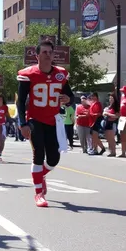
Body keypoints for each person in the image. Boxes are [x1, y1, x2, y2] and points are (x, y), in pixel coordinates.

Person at [16, 41, 74, 208]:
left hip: (53, 120)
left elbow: (70, 96)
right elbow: (20, 102)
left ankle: (40, 175)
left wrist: (68, 100)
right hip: (35, 119)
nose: (48, 55)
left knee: (54, 159)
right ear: (37, 55)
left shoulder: (61, 74)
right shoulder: (28, 74)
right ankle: (38, 193)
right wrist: (22, 123)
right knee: (38, 154)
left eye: (50, 52)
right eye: (44, 52)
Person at [102, 92, 120, 156]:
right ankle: (110, 151)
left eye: (112, 98)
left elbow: (117, 116)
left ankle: (113, 151)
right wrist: (105, 113)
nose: (110, 99)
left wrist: (108, 114)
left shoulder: (115, 107)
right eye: (110, 98)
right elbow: (104, 114)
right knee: (108, 138)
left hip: (112, 124)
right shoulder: (108, 107)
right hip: (107, 123)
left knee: (111, 138)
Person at [0, 95, 9, 161]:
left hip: (3, 125)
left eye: (0, 99)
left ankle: (0, 152)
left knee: (2, 140)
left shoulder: (5, 107)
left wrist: (9, 121)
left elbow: (7, 115)